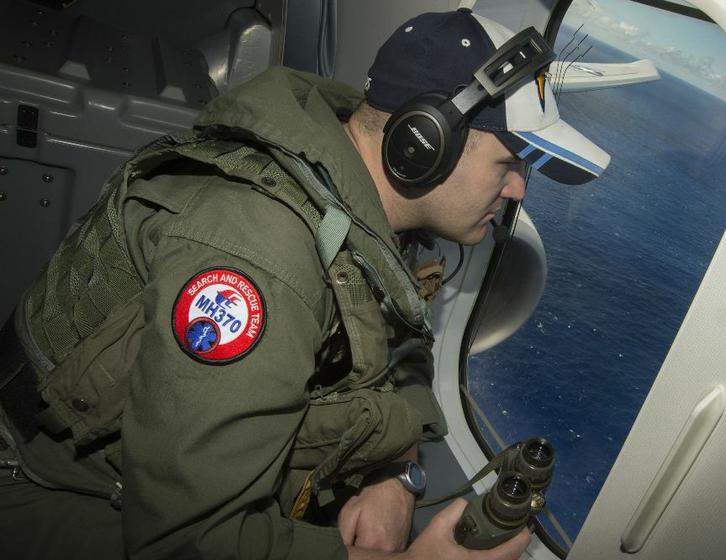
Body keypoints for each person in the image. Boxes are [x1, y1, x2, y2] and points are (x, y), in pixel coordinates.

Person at [0, 8, 607, 560]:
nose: (519, 190)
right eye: (509, 163)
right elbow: (185, 544)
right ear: (424, 143)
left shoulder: (361, 205)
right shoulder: (256, 258)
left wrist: (395, 472)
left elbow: (394, 345)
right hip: (48, 490)